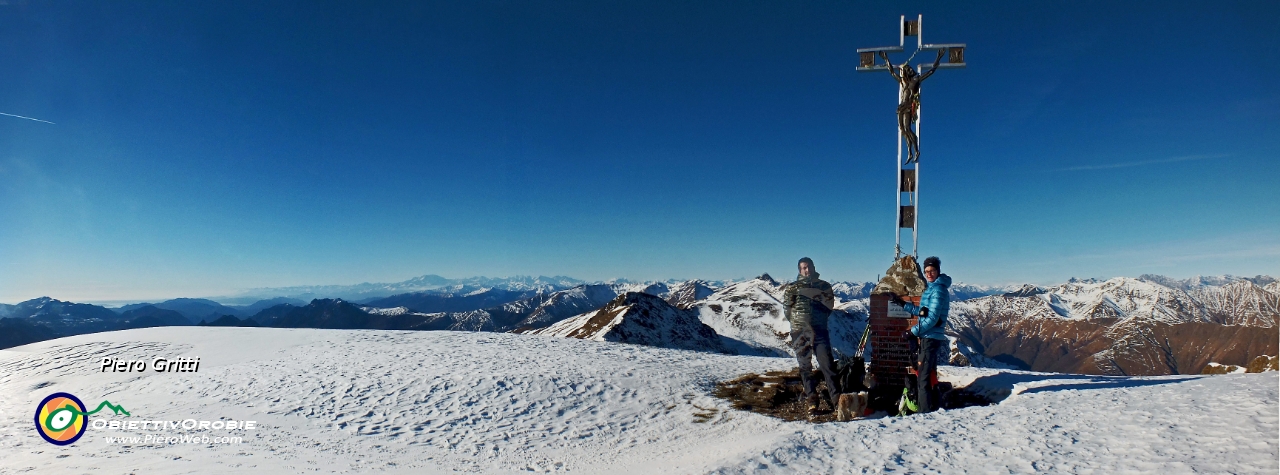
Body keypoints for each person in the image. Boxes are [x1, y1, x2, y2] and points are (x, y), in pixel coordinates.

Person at [890, 255, 950, 413]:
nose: (929, 273)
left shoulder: (938, 290)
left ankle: (924, 415)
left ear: (938, 271)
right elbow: (923, 313)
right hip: (929, 337)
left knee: (922, 379)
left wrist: (911, 332)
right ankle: (934, 407)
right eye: (927, 271)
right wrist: (904, 305)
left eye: (932, 270)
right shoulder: (932, 288)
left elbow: (931, 319)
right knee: (929, 376)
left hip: (930, 339)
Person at [783, 257, 840, 416]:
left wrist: (817, 320)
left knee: (827, 364)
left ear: (814, 267)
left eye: (808, 267)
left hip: (819, 330)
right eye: (803, 268)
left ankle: (836, 399)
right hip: (799, 332)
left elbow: (829, 307)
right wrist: (798, 322)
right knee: (804, 366)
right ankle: (811, 398)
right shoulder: (792, 288)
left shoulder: (824, 286)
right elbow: (787, 310)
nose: (806, 270)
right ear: (799, 270)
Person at [879, 50, 945, 165]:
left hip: (909, 106)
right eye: (907, 69)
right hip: (901, 107)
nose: (910, 70)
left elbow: (931, 71)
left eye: (910, 69)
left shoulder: (916, 80)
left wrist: (938, 58)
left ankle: (916, 151)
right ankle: (909, 152)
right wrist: (886, 59)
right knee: (903, 130)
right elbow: (891, 71)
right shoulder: (903, 82)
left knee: (908, 129)